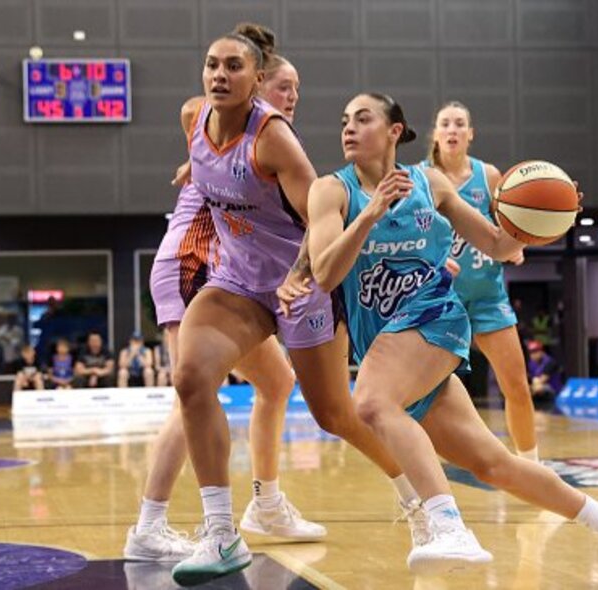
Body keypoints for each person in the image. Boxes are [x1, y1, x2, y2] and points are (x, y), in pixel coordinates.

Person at [307, 92, 598, 585]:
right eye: (344, 121)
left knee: (372, 403)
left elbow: (499, 245)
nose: (349, 128)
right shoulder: (331, 192)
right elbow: (323, 273)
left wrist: (544, 215)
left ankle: (447, 525)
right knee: (493, 464)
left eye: (363, 119)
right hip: (388, 342)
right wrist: (368, 215)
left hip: (436, 317)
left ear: (394, 131)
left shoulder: (432, 183)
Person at [169, 28, 417, 586]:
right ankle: (220, 533)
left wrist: (299, 276)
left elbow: (318, 217)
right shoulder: (195, 122)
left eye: (233, 67)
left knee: (333, 414)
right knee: (189, 376)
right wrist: (193, 172)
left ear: (256, 81)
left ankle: (415, 489)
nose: (219, 76)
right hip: (236, 282)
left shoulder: (274, 139)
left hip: (299, 283)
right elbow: (210, 170)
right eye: (212, 65)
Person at [129, 36, 323, 566]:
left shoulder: (262, 140)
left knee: (277, 382)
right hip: (195, 262)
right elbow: (197, 118)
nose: (292, 98)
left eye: (298, 90)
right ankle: (151, 524)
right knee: (190, 390)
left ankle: (266, 502)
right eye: (285, 86)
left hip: (221, 266)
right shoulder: (213, 118)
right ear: (261, 80)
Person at [424, 100, 539, 460]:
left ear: (470, 135)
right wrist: (435, 258)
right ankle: (419, 468)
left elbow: (508, 229)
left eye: (460, 124)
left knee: (517, 386)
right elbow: (407, 232)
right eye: (446, 123)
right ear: (436, 134)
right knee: (417, 392)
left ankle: (531, 465)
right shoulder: (421, 176)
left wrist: (515, 247)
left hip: (488, 296)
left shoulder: (488, 176)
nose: (453, 129)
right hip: (438, 300)